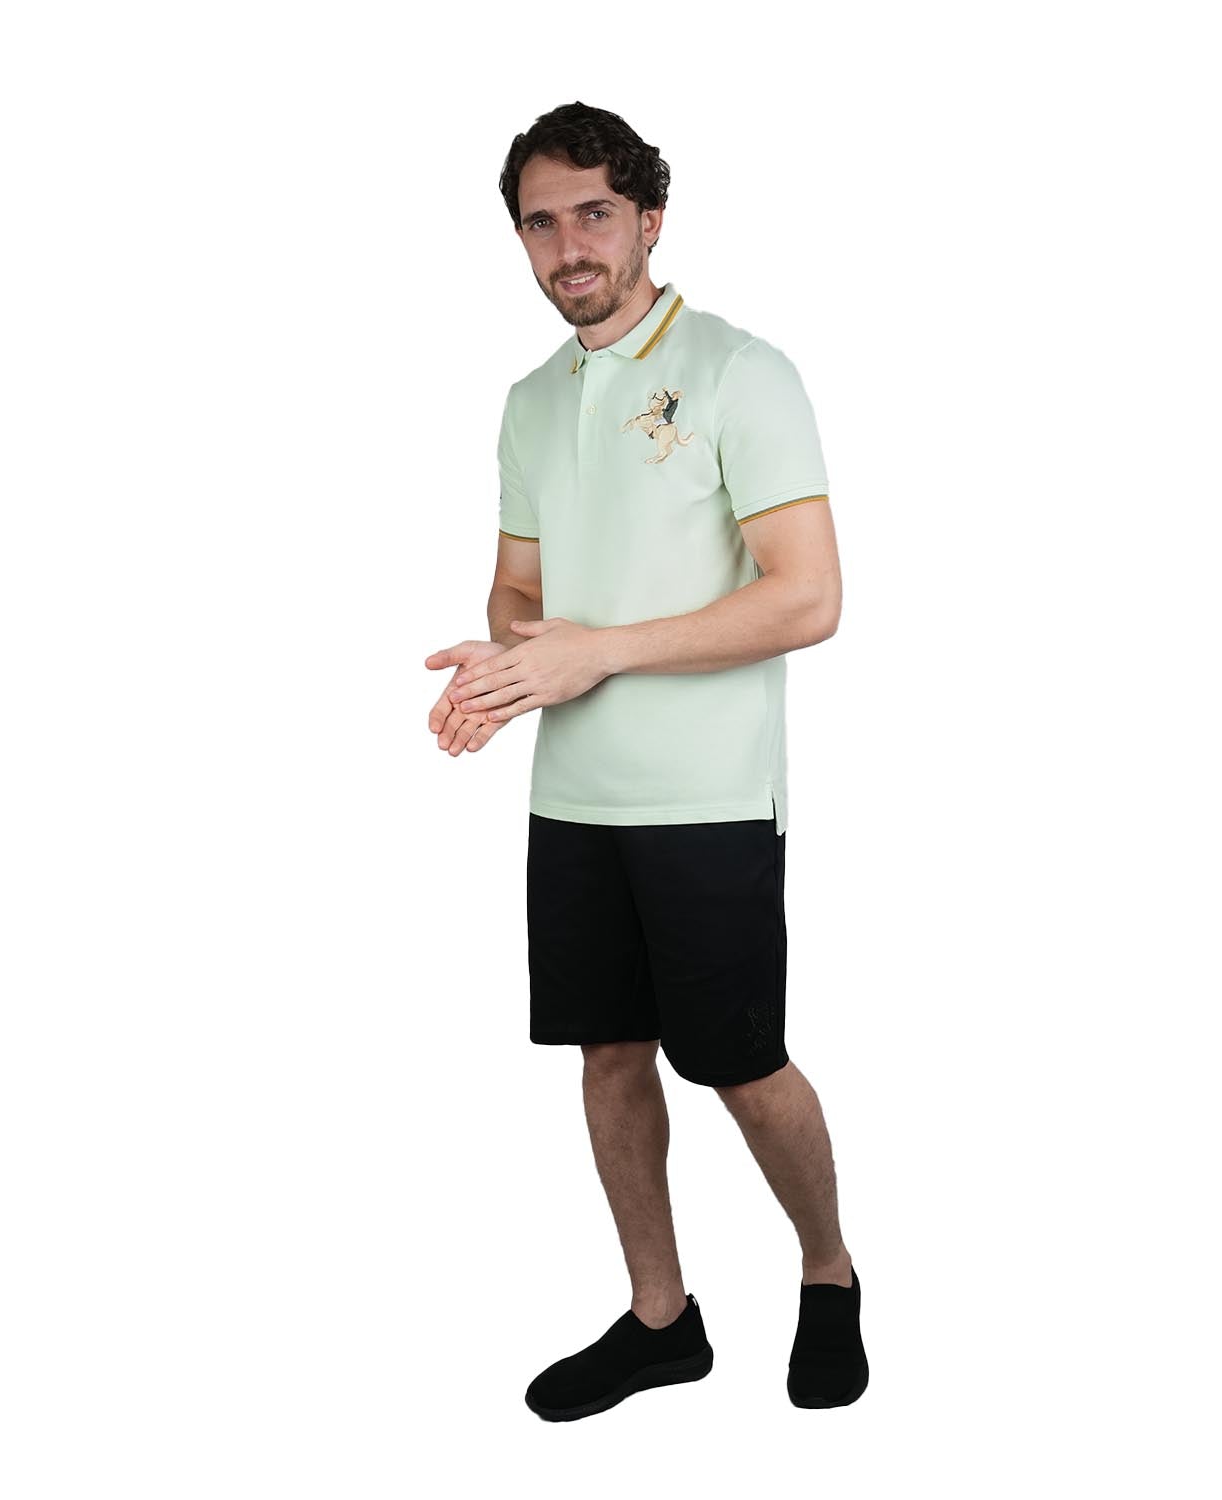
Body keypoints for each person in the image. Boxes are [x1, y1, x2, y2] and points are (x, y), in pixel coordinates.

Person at [424, 101, 866, 1421]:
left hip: (710, 796)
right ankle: (662, 1319)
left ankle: (830, 1272)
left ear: (650, 219)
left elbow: (808, 596)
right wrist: (510, 668)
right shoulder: (530, 403)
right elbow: (519, 590)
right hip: (574, 799)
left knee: (739, 1063)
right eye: (541, 222)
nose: (569, 246)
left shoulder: (742, 372)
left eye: (595, 213)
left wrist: (597, 654)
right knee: (608, 1058)